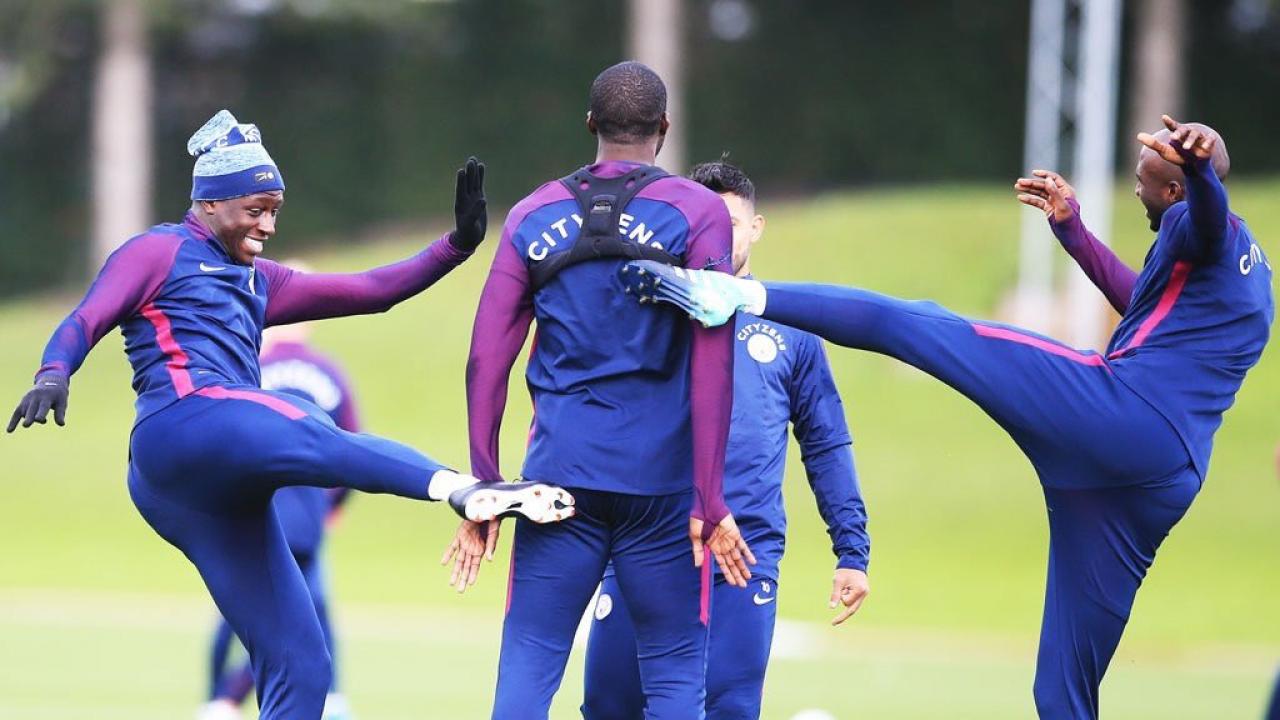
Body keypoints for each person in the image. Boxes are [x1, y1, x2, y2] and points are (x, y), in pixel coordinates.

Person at [619, 115, 1271, 719]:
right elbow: (1147, 309)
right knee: (1062, 687)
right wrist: (1073, 232)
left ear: (1179, 187)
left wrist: (1205, 175)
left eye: (1147, 185)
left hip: (1124, 418)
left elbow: (1207, 218)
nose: (1137, 194)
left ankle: (729, 296)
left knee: (924, 325)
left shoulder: (1200, 223)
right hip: (1158, 483)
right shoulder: (1249, 276)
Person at [7, 109, 572, 719]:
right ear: (212, 203)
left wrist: (457, 245)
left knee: (301, 662)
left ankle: (460, 490)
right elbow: (85, 317)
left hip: (220, 490)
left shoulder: (259, 281)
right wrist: (53, 372)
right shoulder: (156, 250)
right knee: (301, 411)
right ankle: (463, 488)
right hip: (179, 432)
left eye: (275, 209)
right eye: (255, 209)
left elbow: (373, 291)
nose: (268, 224)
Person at [456, 62, 753, 719]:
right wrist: (710, 497)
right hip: (660, 491)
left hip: (557, 481)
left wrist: (486, 485)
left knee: (530, 660)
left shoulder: (534, 213)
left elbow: (485, 359)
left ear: (590, 124)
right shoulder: (697, 213)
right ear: (664, 128)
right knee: (676, 674)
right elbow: (714, 360)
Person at [580, 160, 871, 720]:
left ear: (757, 227)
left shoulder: (791, 329)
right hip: (645, 543)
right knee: (610, 707)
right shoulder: (648, 311)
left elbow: (827, 445)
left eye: (731, 222)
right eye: (704, 221)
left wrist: (852, 550)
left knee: (730, 709)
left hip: (743, 556)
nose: (717, 235)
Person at [199, 287, 360, 720]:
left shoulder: (249, 367)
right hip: (307, 515)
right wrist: (332, 504)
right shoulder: (328, 371)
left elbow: (221, 437)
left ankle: (218, 697)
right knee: (307, 610)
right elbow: (353, 445)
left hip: (256, 510)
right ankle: (237, 699)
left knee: (240, 611)